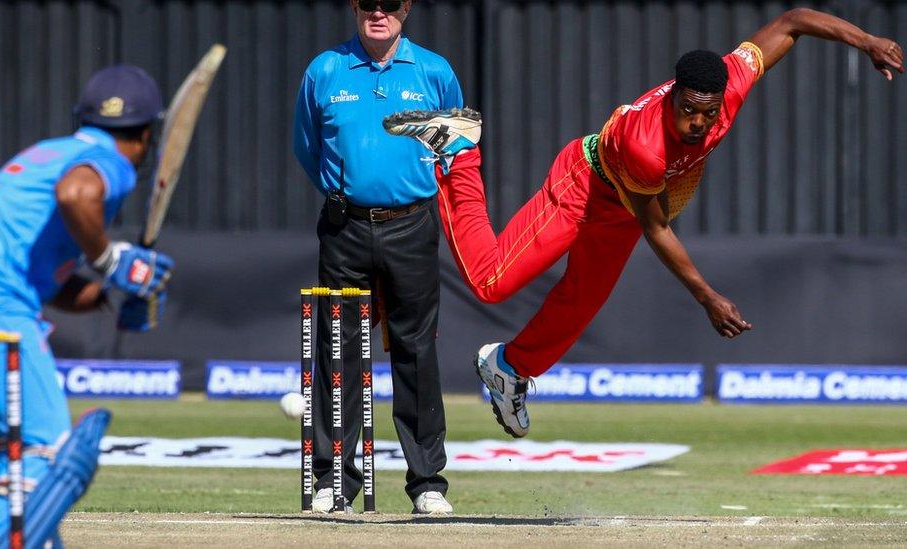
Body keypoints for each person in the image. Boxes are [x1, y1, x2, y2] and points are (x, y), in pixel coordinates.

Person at [384, 8, 903, 438]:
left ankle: (509, 368)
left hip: (624, 211)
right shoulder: (645, 145)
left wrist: (867, 41)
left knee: (579, 305)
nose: (698, 123)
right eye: (688, 110)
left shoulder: (730, 80)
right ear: (674, 95)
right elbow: (656, 228)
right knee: (491, 283)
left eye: (708, 113)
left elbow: (793, 22)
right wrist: (707, 297)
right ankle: (458, 152)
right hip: (585, 184)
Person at [0, 65, 174, 543]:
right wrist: (112, 260)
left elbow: (50, 283)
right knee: (54, 452)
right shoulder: (107, 161)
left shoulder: (50, 152)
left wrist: (113, 292)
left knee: (6, 455)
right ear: (147, 133)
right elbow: (76, 194)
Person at [293, 0, 465, 514]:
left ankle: (427, 482)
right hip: (344, 226)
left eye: (390, 3)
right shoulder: (325, 70)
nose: (378, 12)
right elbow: (306, 147)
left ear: (406, 9)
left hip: (412, 224)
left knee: (416, 350)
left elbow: (455, 146)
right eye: (368, 2)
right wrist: (344, 192)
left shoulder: (433, 71)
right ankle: (334, 481)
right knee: (338, 350)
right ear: (353, 6)